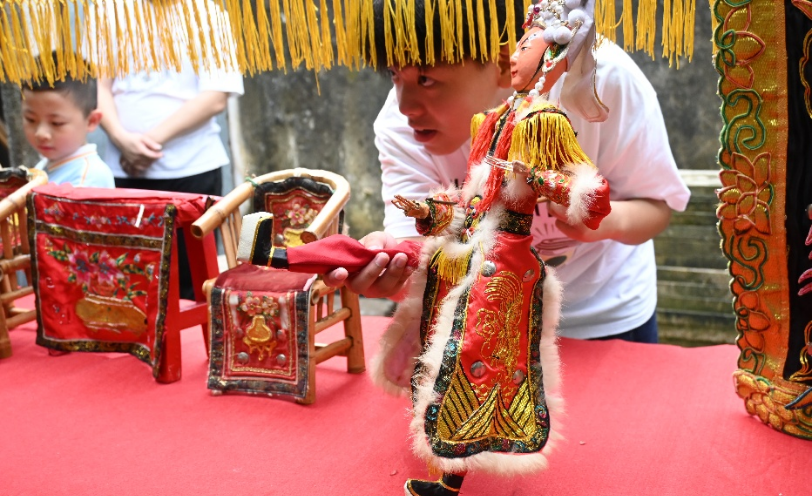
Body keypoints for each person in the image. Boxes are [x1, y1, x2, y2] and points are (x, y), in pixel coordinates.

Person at [325, 0, 691, 344]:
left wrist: (601, 222)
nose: (406, 106)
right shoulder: (399, 127)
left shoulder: (598, 83)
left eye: (426, 80)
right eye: (394, 75)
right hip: (484, 322)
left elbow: (656, 208)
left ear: (503, 64)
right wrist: (391, 270)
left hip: (603, 315)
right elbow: (422, 253)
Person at [96, 0, 244, 300]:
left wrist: (145, 143)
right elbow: (96, 86)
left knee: (193, 285)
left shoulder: (208, 12)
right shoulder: (109, 9)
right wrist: (122, 139)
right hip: (122, 171)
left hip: (191, 169)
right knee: (129, 284)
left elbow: (215, 96)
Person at [21, 55, 115, 188]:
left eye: (56, 123)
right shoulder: (45, 165)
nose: (41, 133)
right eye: (30, 119)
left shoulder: (88, 177)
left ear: (91, 121)